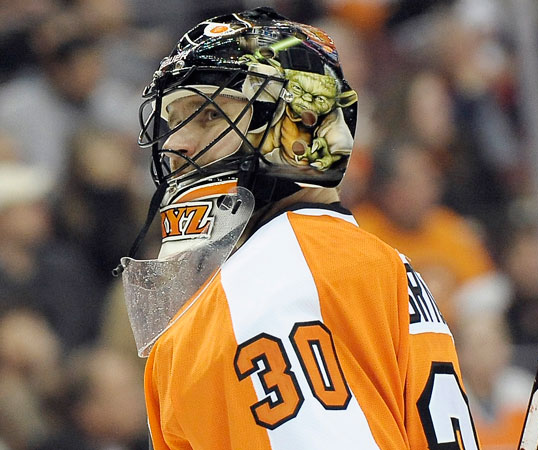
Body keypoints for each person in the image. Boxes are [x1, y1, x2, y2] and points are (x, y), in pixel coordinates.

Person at [115, 7, 479, 449]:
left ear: (302, 124)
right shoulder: (381, 261)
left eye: (208, 114)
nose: (175, 143)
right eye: (174, 121)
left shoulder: (267, 282)